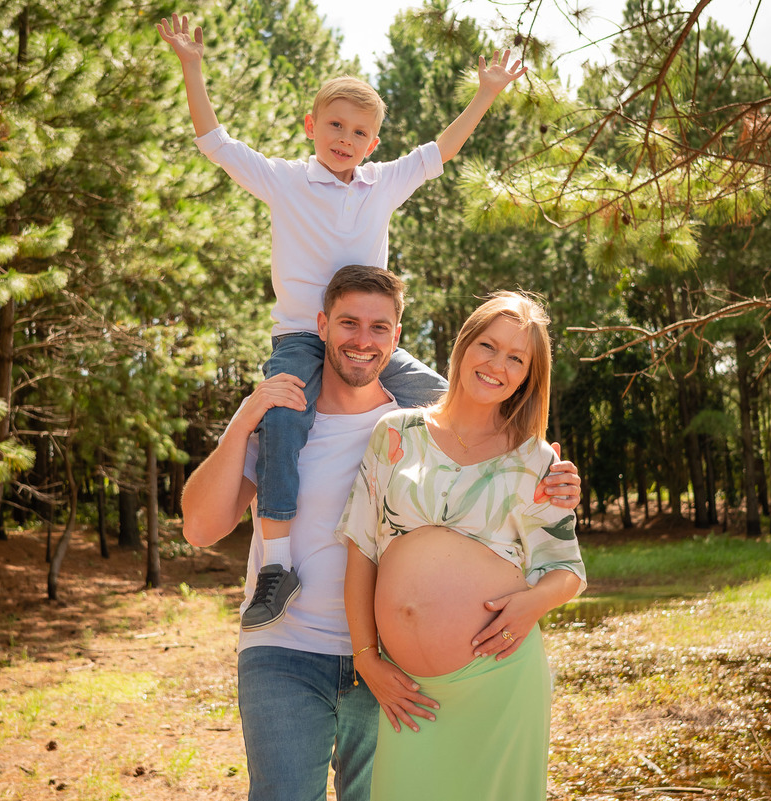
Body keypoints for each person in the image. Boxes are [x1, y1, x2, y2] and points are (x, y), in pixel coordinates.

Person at [159, 11, 528, 630]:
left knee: (447, 399)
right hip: (304, 338)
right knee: (284, 424)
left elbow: (442, 150)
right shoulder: (283, 181)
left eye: (359, 131)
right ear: (311, 126)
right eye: (334, 124)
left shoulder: (382, 184)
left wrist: (486, 93)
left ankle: (501, 500)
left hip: (368, 340)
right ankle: (276, 561)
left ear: (372, 143)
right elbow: (214, 143)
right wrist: (192, 68)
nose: (345, 138)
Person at [180, 266, 581, 801]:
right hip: (287, 651)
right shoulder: (289, 426)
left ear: (397, 337)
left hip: (393, 667)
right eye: (349, 323)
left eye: (378, 327)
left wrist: (558, 482)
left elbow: (534, 531)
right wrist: (250, 411)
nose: (362, 340)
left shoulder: (412, 428)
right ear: (321, 326)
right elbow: (201, 527)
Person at [336, 291, 586, 801]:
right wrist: (366, 657)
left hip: (499, 684)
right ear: (463, 344)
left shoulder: (537, 460)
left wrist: (533, 604)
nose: (498, 364)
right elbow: (361, 548)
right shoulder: (395, 434)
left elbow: (568, 571)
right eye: (489, 346)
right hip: (409, 694)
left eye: (517, 358)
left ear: (528, 376)